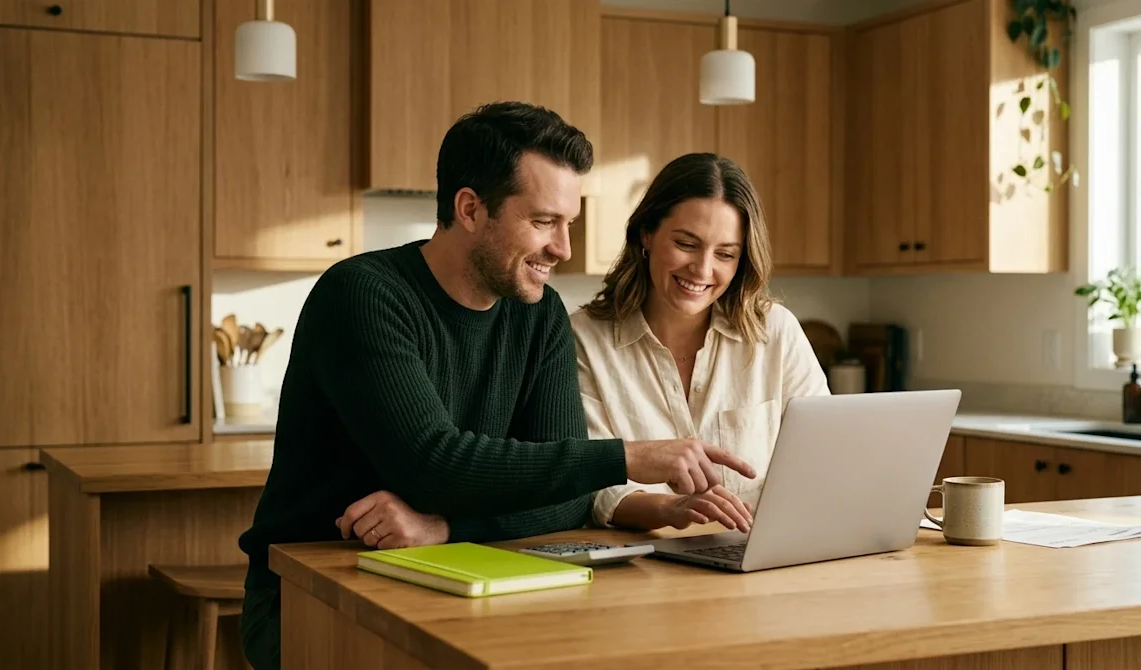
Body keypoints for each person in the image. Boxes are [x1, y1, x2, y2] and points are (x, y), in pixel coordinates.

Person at [236, 104, 756, 670]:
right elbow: (433, 463)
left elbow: (568, 500)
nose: (563, 248)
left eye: (568, 223)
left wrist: (443, 528)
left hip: (466, 574)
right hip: (314, 591)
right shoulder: (361, 295)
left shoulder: (540, 314)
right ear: (470, 209)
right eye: (544, 222)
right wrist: (628, 457)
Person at [570, 152, 831, 533]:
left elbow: (825, 455)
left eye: (725, 253)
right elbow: (589, 485)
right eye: (686, 244)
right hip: (640, 558)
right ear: (646, 234)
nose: (703, 269)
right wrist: (669, 508)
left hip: (760, 553)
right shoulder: (583, 339)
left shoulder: (776, 332)